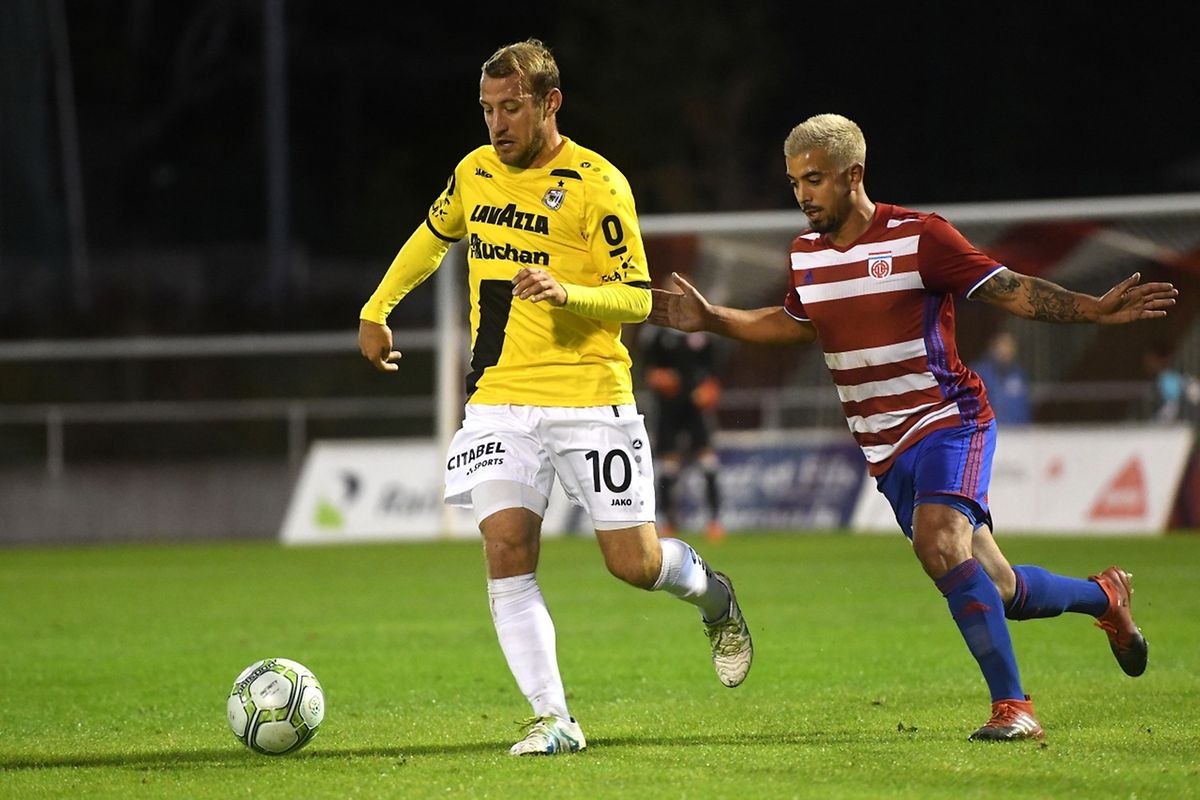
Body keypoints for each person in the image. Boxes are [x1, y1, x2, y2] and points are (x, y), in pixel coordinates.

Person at [650, 113, 1175, 742]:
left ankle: (1014, 707)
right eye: (794, 183)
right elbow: (793, 322)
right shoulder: (805, 253)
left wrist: (1091, 309)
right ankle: (1104, 597)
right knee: (1003, 589)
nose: (803, 195)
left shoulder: (920, 237)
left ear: (854, 176)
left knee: (939, 543)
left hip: (949, 420)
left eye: (814, 180)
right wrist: (713, 319)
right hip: (885, 449)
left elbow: (1007, 289)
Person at [357, 39, 752, 756]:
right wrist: (378, 308)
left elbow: (636, 298)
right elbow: (432, 236)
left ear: (549, 103)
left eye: (511, 108)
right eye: (487, 110)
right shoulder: (474, 173)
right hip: (500, 401)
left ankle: (712, 594)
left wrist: (567, 290)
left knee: (633, 566)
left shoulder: (599, 186)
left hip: (589, 399)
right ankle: (554, 718)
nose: (497, 125)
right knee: (506, 547)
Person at [640, 324, 726, 540]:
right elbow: (649, 369)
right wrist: (659, 378)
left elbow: (713, 371)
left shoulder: (701, 330)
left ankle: (714, 521)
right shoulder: (656, 333)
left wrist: (710, 389)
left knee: (708, 463)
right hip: (669, 408)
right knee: (668, 466)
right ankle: (668, 522)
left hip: (697, 408)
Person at [972, 330, 1032, 425]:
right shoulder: (978, 374)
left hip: (1017, 434)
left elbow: (1024, 408)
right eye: (1002, 346)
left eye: (1010, 346)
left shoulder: (1019, 375)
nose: (1006, 351)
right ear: (993, 347)